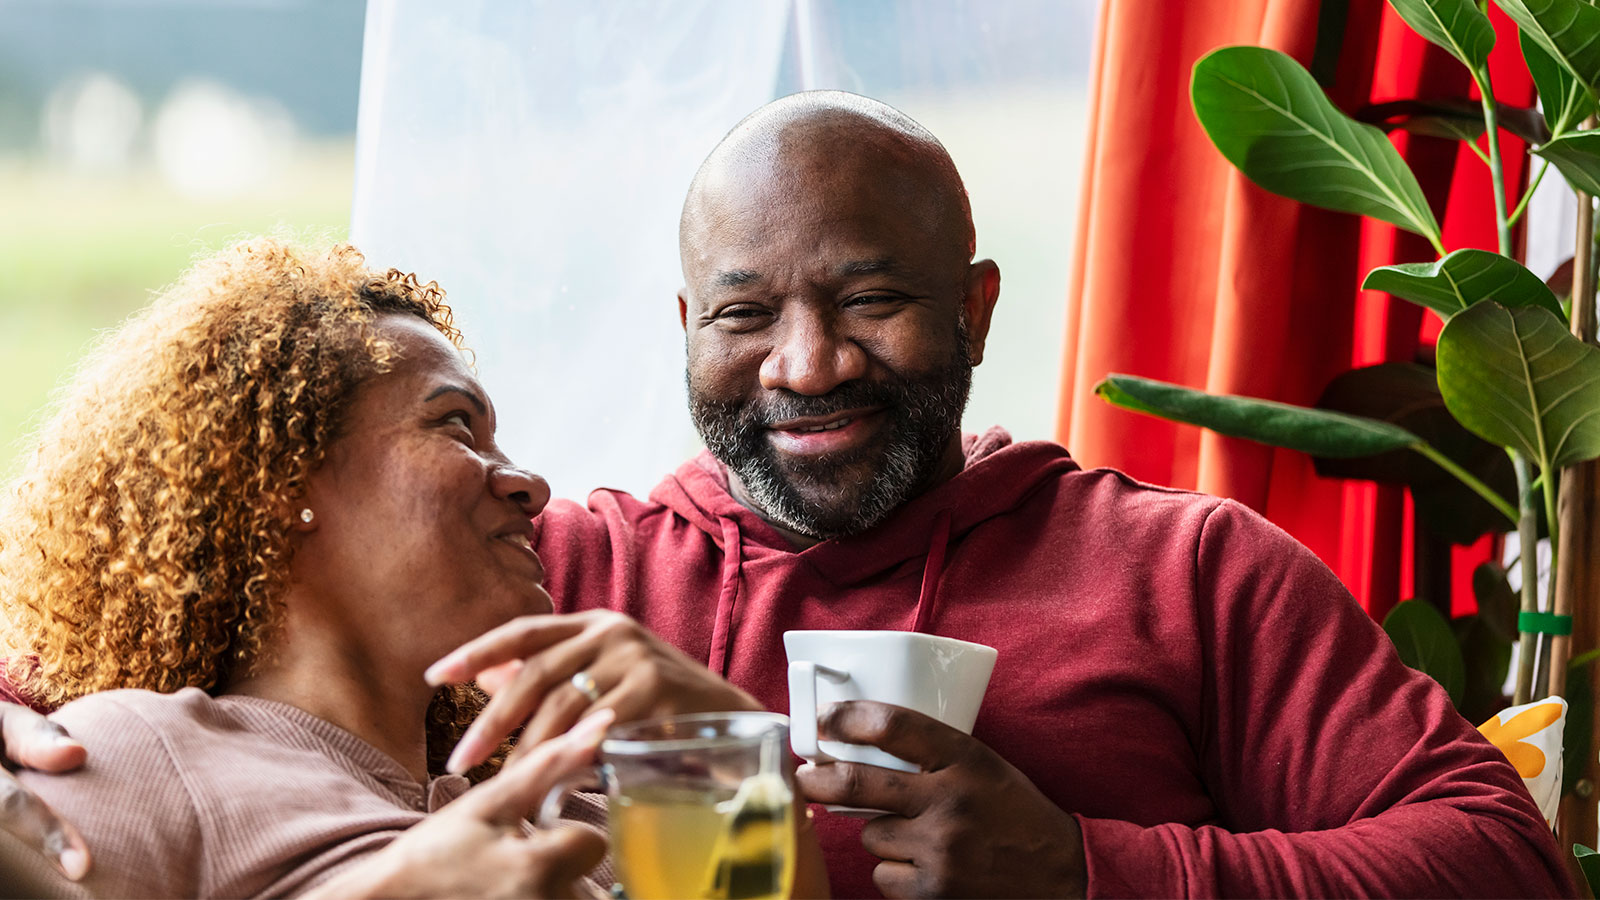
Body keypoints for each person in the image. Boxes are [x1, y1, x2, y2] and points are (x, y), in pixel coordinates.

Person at [0, 92, 1577, 897]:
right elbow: (204, 624)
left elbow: (1501, 866)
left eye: (873, 299)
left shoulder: (1184, 571)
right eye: (749, 314)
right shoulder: (556, 575)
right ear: (691, 333)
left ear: (976, 307)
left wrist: (1092, 870)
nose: (807, 365)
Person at [0, 238, 770, 897]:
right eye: (455, 425)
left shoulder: (582, 810)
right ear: (282, 482)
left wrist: (736, 751)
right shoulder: (140, 756)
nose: (530, 485)